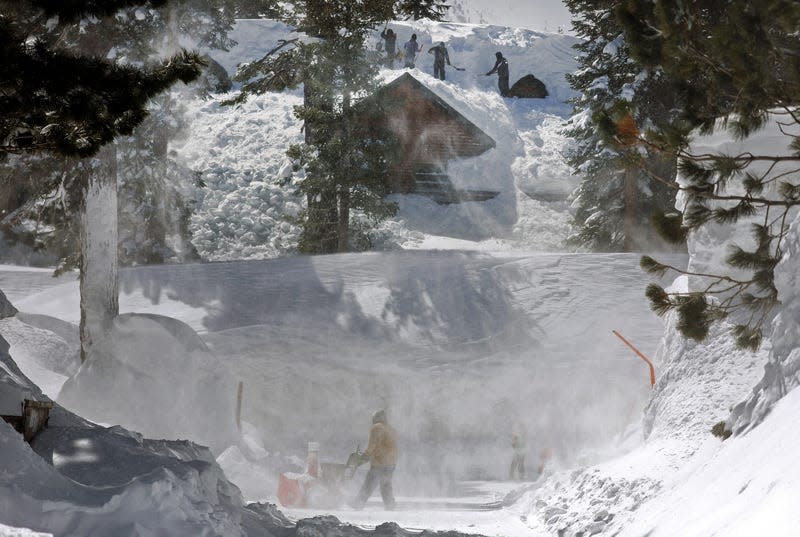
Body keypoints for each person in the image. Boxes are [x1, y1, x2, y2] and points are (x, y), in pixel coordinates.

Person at [351, 409, 398, 510]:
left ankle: (358, 504)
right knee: (385, 484)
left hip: (380, 461)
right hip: (392, 462)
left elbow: (373, 445)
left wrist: (364, 456)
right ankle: (390, 505)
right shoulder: (391, 429)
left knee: (369, 484)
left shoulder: (377, 428)